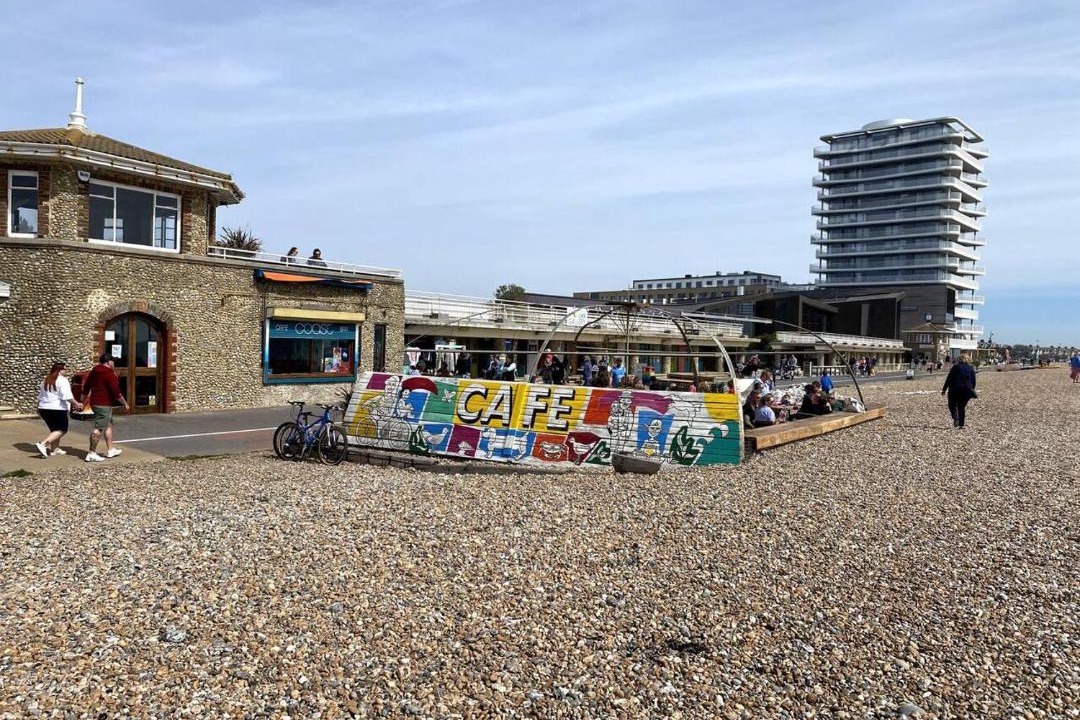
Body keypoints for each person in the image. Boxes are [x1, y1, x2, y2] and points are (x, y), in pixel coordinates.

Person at [80, 353, 130, 462]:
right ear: (108, 362)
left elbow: (87, 385)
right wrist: (125, 403)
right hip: (103, 404)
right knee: (98, 428)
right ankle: (91, 453)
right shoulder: (109, 373)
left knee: (108, 424)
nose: (114, 363)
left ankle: (110, 450)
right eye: (113, 361)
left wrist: (82, 398)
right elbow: (116, 392)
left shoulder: (94, 371)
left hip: (95, 402)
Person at [35, 361, 83, 458]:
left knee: (54, 429)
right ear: (60, 370)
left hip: (44, 408)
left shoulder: (46, 380)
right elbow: (67, 396)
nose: (66, 370)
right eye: (65, 368)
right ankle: (43, 444)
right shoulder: (62, 380)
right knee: (62, 429)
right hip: (57, 408)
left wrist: (38, 407)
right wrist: (76, 404)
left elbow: (40, 396)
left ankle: (55, 449)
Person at [941, 353, 977, 428]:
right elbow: (973, 380)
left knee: (952, 405)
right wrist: (972, 389)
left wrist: (944, 389)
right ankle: (961, 424)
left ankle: (956, 418)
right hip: (966, 389)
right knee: (961, 407)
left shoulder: (955, 367)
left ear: (959, 359)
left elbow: (949, 379)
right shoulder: (971, 368)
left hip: (955, 388)